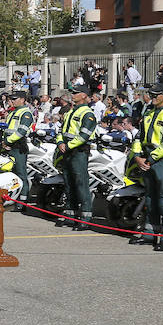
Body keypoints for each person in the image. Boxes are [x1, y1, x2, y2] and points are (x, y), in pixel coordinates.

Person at [130, 84, 163, 251]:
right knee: (150, 199)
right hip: (147, 160)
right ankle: (149, 234)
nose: (152, 96)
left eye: (156, 94)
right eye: (151, 94)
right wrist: (137, 156)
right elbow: (138, 136)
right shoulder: (148, 113)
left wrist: (150, 159)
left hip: (162, 161)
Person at [57, 85, 98, 230]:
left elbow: (84, 135)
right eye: (72, 93)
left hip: (78, 152)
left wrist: (67, 146)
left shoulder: (88, 114)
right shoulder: (70, 112)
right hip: (67, 151)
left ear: (84, 96)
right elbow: (61, 130)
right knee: (69, 183)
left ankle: (85, 217)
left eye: (76, 93)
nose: (72, 95)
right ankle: (70, 215)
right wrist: (60, 142)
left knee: (81, 184)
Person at [3, 91, 34, 196]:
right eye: (11, 99)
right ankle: (14, 197)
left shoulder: (26, 113)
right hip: (9, 147)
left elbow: (21, 132)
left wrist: (7, 141)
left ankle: (23, 199)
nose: (12, 101)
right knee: (12, 174)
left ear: (22, 100)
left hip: (18, 147)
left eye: (14, 99)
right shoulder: (13, 112)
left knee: (21, 173)